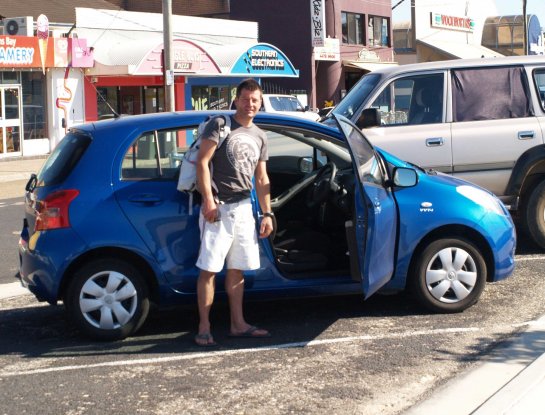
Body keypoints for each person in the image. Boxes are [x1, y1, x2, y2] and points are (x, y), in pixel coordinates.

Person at [194, 78, 274, 347]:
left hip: (243, 208)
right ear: (236, 100)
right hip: (218, 208)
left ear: (260, 102)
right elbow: (202, 163)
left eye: (255, 100)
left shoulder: (260, 136)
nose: (250, 104)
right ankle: (204, 327)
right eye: (245, 99)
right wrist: (208, 201)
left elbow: (261, 179)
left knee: (237, 269)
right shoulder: (220, 125)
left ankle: (238, 324)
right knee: (209, 269)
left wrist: (267, 213)